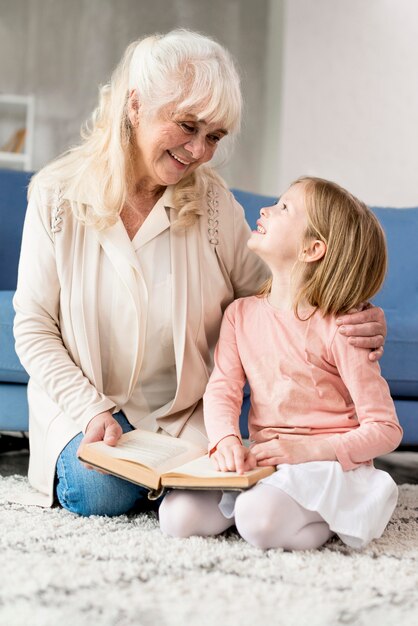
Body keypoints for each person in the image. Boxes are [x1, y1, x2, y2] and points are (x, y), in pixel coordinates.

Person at [13, 30, 386, 517]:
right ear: (135, 105)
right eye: (187, 126)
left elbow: (281, 293)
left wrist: (351, 311)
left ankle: (177, 487)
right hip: (87, 410)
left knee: (217, 483)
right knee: (101, 489)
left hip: (184, 418)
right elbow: (33, 327)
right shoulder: (55, 196)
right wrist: (91, 410)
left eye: (214, 136)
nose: (199, 151)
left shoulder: (213, 207)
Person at [159, 176, 403, 550]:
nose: (266, 210)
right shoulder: (240, 315)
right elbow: (223, 389)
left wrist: (309, 451)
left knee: (259, 521)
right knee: (177, 517)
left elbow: (386, 429)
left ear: (312, 249)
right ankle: (267, 505)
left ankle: (333, 514)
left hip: (325, 464)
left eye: (284, 207)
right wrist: (224, 440)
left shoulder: (343, 328)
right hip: (265, 457)